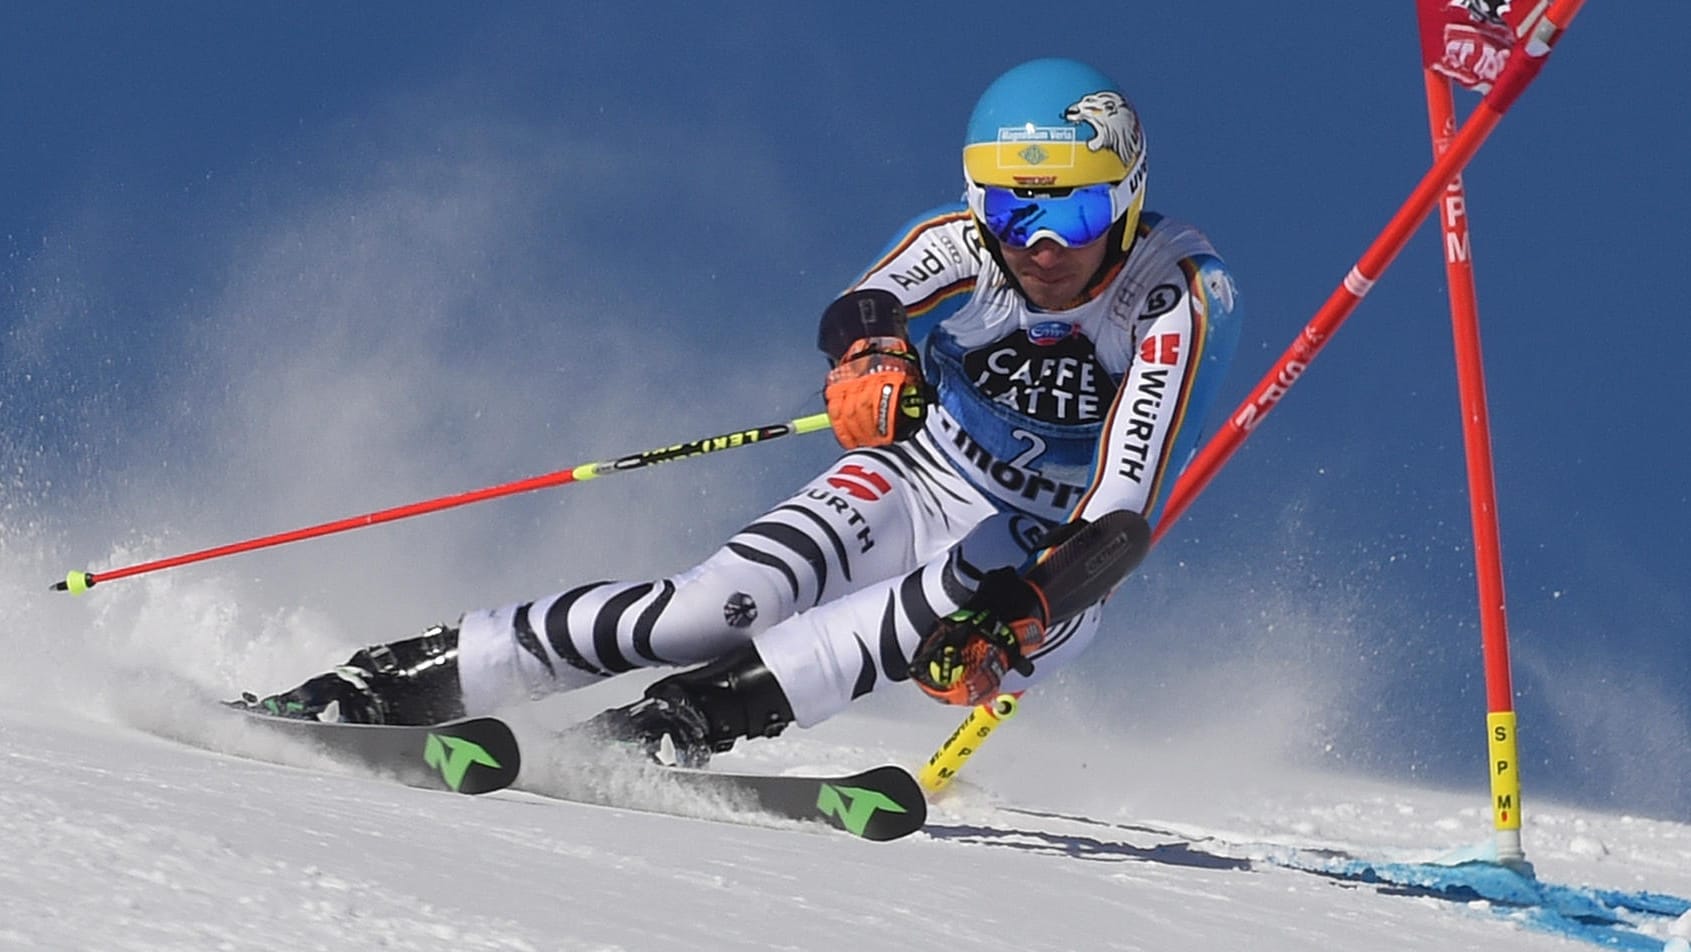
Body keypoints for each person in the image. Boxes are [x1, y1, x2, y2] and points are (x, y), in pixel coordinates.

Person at [240, 57, 1243, 766]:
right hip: (922, 473)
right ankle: (399, 679)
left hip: (1045, 557)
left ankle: (679, 724)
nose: (1036, 242)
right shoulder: (969, 247)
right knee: (707, 607)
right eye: (1009, 207)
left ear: (1126, 196)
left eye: (1069, 209)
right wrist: (870, 359)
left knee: (911, 612)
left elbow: (1116, 519)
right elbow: (868, 303)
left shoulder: (1168, 301)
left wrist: (1020, 612)